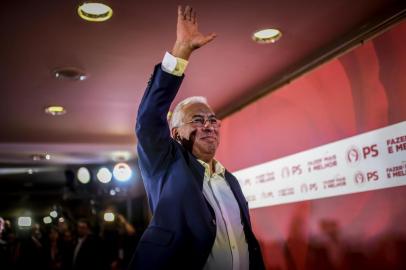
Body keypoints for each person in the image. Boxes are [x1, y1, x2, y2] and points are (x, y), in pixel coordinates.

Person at [130, 5, 265, 270]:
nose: (208, 126)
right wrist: (182, 50)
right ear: (176, 132)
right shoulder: (166, 167)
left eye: (213, 120)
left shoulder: (231, 180)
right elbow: (148, 121)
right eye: (198, 120)